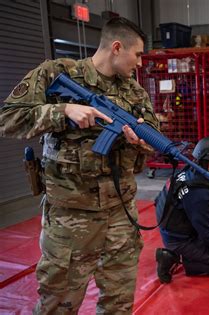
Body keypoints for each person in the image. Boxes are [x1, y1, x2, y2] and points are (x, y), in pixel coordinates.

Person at [0, 17, 159, 314]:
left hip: (120, 216)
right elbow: (8, 119)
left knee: (119, 303)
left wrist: (140, 140)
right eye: (137, 54)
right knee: (58, 304)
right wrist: (63, 110)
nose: (140, 62)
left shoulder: (135, 92)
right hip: (71, 220)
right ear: (116, 47)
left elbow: (153, 135)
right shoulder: (55, 73)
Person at [155, 136, 209, 283]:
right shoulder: (199, 196)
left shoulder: (193, 169)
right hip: (179, 239)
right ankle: (173, 257)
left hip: (178, 226)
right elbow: (207, 232)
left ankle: (188, 253)